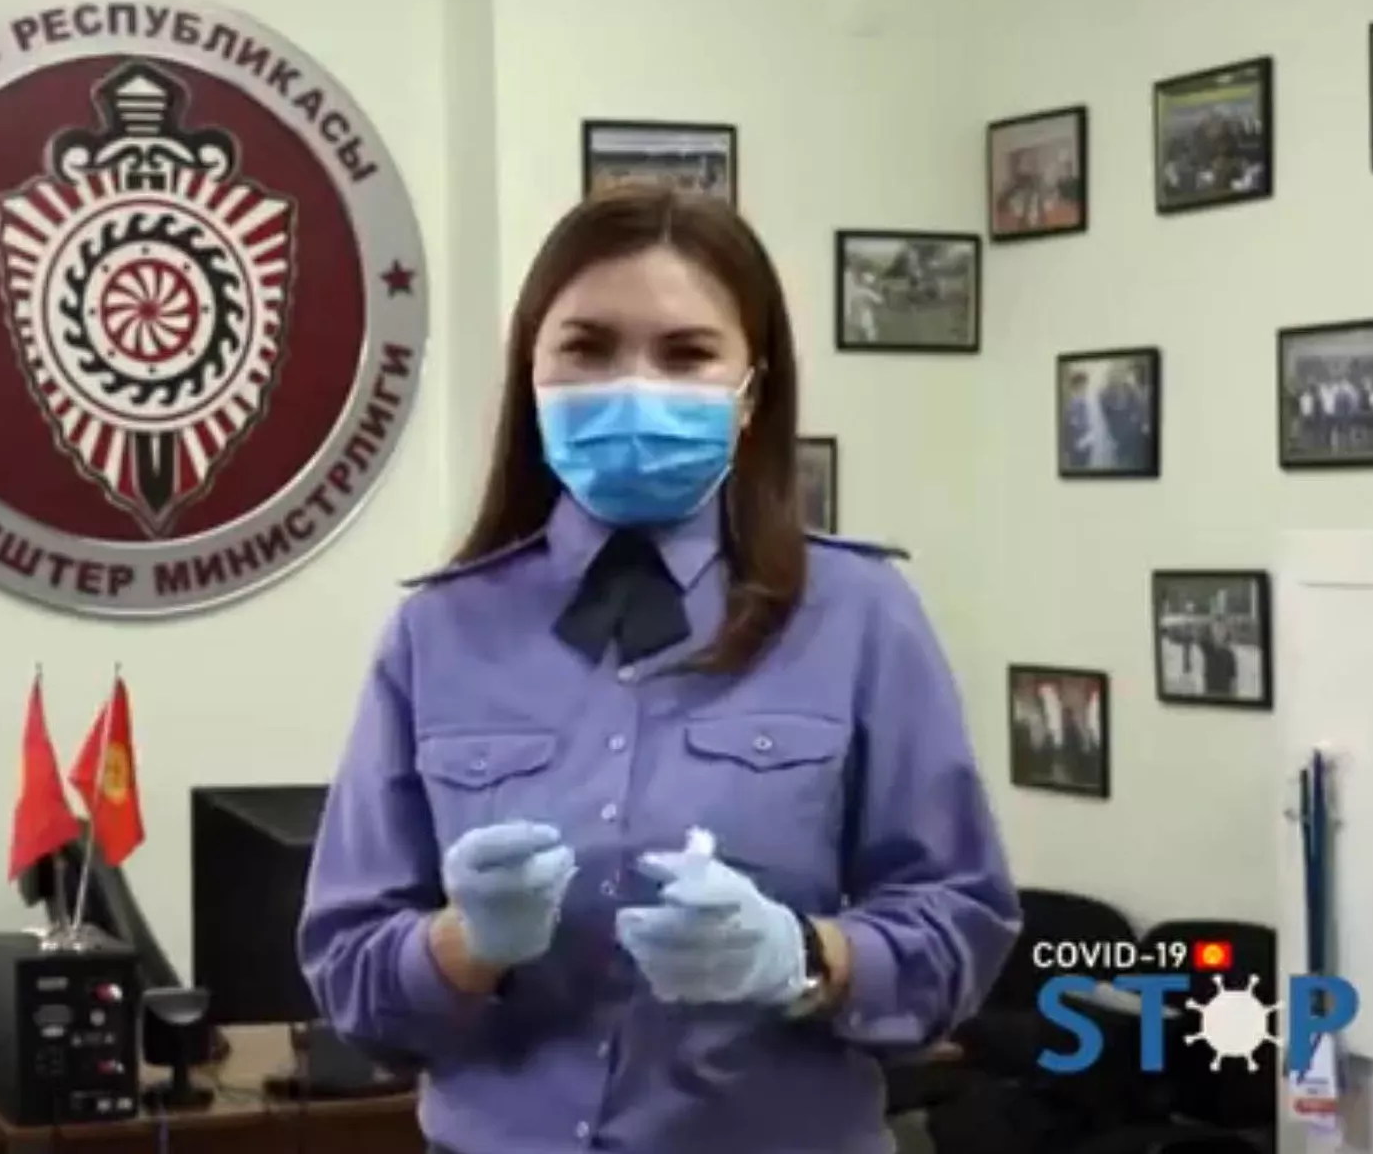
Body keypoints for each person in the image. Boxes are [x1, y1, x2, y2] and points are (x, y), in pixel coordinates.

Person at [298, 186, 1019, 1154]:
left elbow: (961, 923)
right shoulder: (438, 632)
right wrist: (466, 945)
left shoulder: (860, 614)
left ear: (750, 390)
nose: (634, 387)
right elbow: (348, 974)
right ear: (532, 373)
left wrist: (804, 956)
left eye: (686, 354)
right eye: (588, 347)